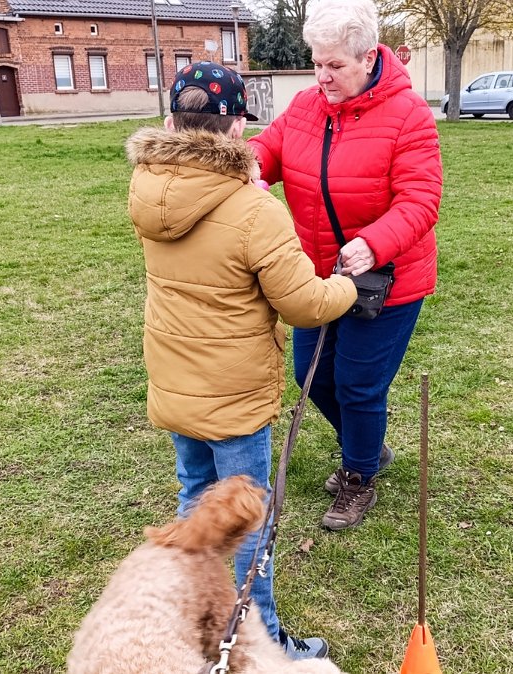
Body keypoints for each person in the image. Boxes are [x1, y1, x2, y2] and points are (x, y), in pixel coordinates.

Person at [125, 61, 357, 659]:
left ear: (174, 123)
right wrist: (349, 287)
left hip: (177, 385)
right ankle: (259, 643)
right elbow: (306, 305)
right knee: (249, 520)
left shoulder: (149, 190)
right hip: (233, 399)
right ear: (233, 131)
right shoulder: (254, 210)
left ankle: (200, 624)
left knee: (196, 503)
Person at [249, 0, 442, 531]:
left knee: (358, 384)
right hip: (317, 275)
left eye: (334, 65)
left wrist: (375, 244)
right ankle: (370, 447)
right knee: (313, 379)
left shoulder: (409, 116)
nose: (322, 76)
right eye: (316, 63)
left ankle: (358, 476)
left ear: (367, 57)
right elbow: (269, 148)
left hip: (386, 279)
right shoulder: (307, 106)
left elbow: (422, 199)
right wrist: (245, 169)